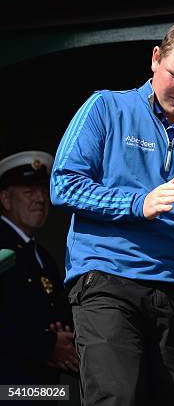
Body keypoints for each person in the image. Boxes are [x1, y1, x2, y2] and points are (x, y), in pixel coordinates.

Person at [51, 19, 174, 406]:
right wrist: (137, 203)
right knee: (115, 397)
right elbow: (64, 185)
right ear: (156, 59)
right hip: (107, 277)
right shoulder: (106, 106)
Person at [0, 151, 78, 392]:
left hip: (40, 384)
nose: (41, 199)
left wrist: (64, 339)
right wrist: (47, 344)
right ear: (5, 199)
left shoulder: (41, 255)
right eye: (29, 192)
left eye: (44, 192)